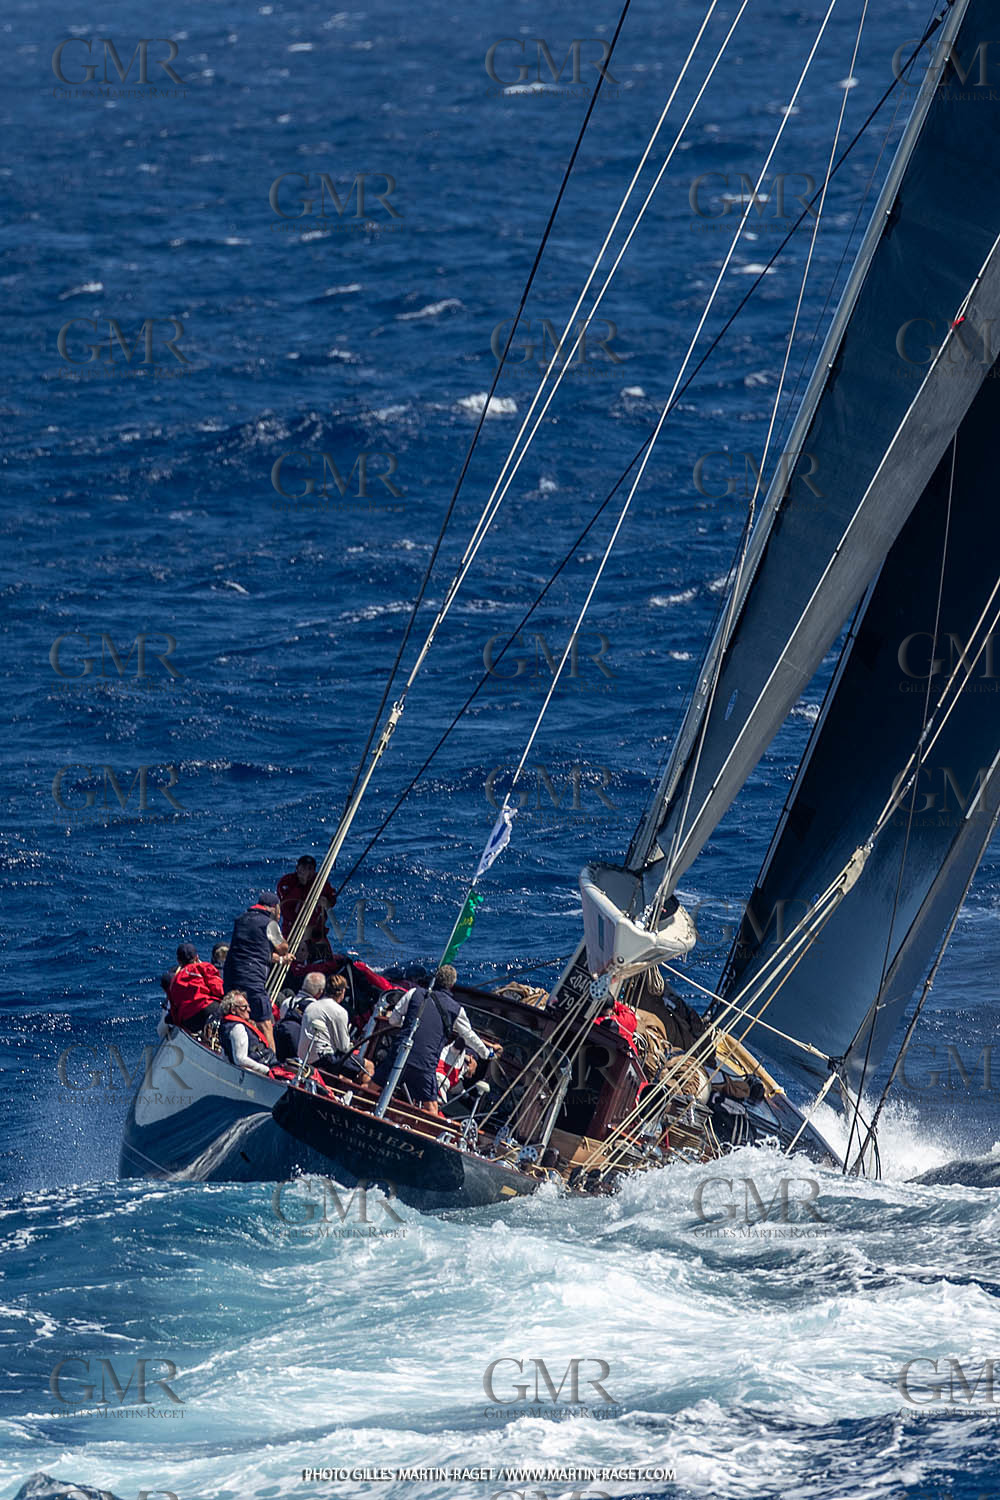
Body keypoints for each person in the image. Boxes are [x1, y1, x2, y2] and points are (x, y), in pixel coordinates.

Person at [375, 964, 499, 1117]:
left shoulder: (414, 993)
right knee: (432, 1109)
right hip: (424, 1065)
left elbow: (393, 1020)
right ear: (451, 985)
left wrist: (409, 1024)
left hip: (398, 1055)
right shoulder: (456, 1010)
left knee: (370, 1086)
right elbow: (469, 1036)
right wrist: (486, 1053)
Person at [222, 893, 290, 1048]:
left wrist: (280, 960)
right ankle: (271, 1058)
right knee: (265, 1023)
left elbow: (254, 952)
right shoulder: (269, 923)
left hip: (231, 975)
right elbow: (282, 948)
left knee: (236, 1016)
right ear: (274, 908)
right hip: (252, 980)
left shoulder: (241, 920)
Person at [297, 974, 365, 1081]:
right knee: (368, 1067)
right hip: (322, 1059)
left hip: (303, 1056)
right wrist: (355, 1045)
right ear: (342, 992)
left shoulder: (311, 1006)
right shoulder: (340, 1012)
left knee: (347, 1068)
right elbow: (344, 1047)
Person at [277, 856, 337, 961]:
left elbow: (332, 898)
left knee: (326, 962)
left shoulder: (319, 882)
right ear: (297, 868)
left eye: (310, 869)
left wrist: (326, 902)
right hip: (293, 932)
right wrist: (301, 885)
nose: (307, 872)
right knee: (292, 962)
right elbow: (286, 904)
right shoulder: (287, 881)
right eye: (304, 868)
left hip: (316, 933)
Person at [219, 990, 279, 1078]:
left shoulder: (229, 1024)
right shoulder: (237, 1028)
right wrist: (266, 1070)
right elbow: (240, 1059)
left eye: (248, 1006)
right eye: (244, 1007)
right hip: (266, 1069)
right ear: (233, 1010)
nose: (249, 1010)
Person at [167, 943, 225, 1033]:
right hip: (208, 1008)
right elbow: (218, 988)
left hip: (189, 1020)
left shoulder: (174, 981)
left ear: (179, 961)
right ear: (197, 957)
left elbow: (174, 1007)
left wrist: (178, 1023)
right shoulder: (203, 967)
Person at [274, 971, 326, 1063]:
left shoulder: (287, 1002)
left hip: (278, 1042)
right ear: (320, 991)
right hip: (297, 1050)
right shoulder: (316, 1009)